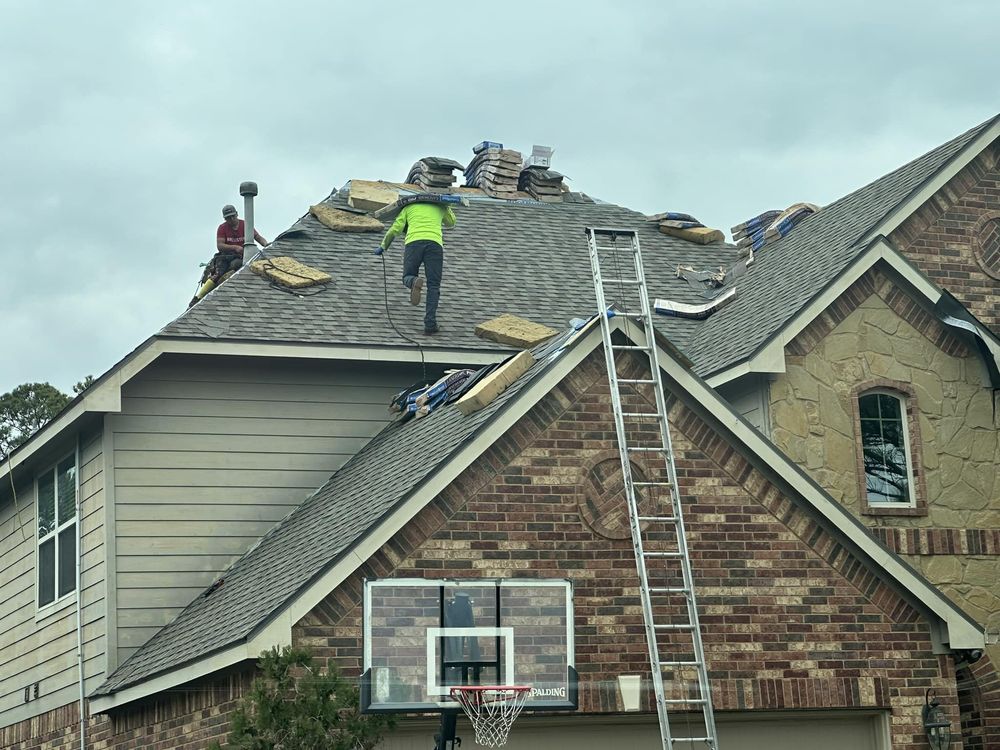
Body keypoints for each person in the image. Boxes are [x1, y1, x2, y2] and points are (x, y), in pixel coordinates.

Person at [376, 199, 456, 334]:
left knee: (407, 276)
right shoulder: (440, 206)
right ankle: (430, 324)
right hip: (434, 245)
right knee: (434, 285)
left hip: (413, 244)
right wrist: (446, 206)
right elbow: (451, 223)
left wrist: (383, 246)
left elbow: (396, 229)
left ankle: (413, 282)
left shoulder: (409, 207)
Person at [189, 205, 269, 307]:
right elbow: (220, 245)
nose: (231, 219)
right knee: (218, 274)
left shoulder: (245, 225)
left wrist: (266, 244)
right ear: (225, 219)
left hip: (242, 256)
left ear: (236, 214)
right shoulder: (222, 228)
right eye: (228, 218)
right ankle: (198, 297)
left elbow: (257, 237)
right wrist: (235, 247)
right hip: (226, 256)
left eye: (233, 216)